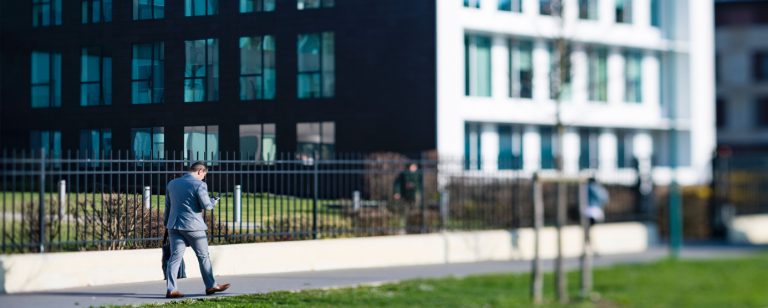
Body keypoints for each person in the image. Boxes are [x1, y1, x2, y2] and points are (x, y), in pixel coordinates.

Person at [164, 161, 230, 298]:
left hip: (174, 225)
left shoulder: (172, 183)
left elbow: (168, 206)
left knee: (174, 258)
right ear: (200, 171)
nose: (203, 178)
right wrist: (213, 201)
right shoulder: (199, 185)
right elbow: (207, 206)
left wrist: (166, 224)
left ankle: (171, 289)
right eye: (204, 175)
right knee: (203, 256)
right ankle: (211, 286)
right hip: (193, 227)